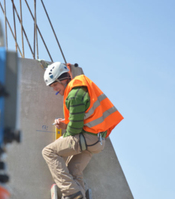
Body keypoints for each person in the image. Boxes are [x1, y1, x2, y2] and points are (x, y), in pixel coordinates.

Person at [42, 62, 123, 199]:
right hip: (97, 141)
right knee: (74, 171)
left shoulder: (74, 94)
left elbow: (75, 127)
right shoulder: (81, 88)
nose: (54, 89)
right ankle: (79, 196)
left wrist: (64, 136)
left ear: (62, 79)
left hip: (87, 138)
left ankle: (71, 193)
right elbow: (80, 119)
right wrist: (66, 124)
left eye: (54, 85)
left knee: (49, 152)